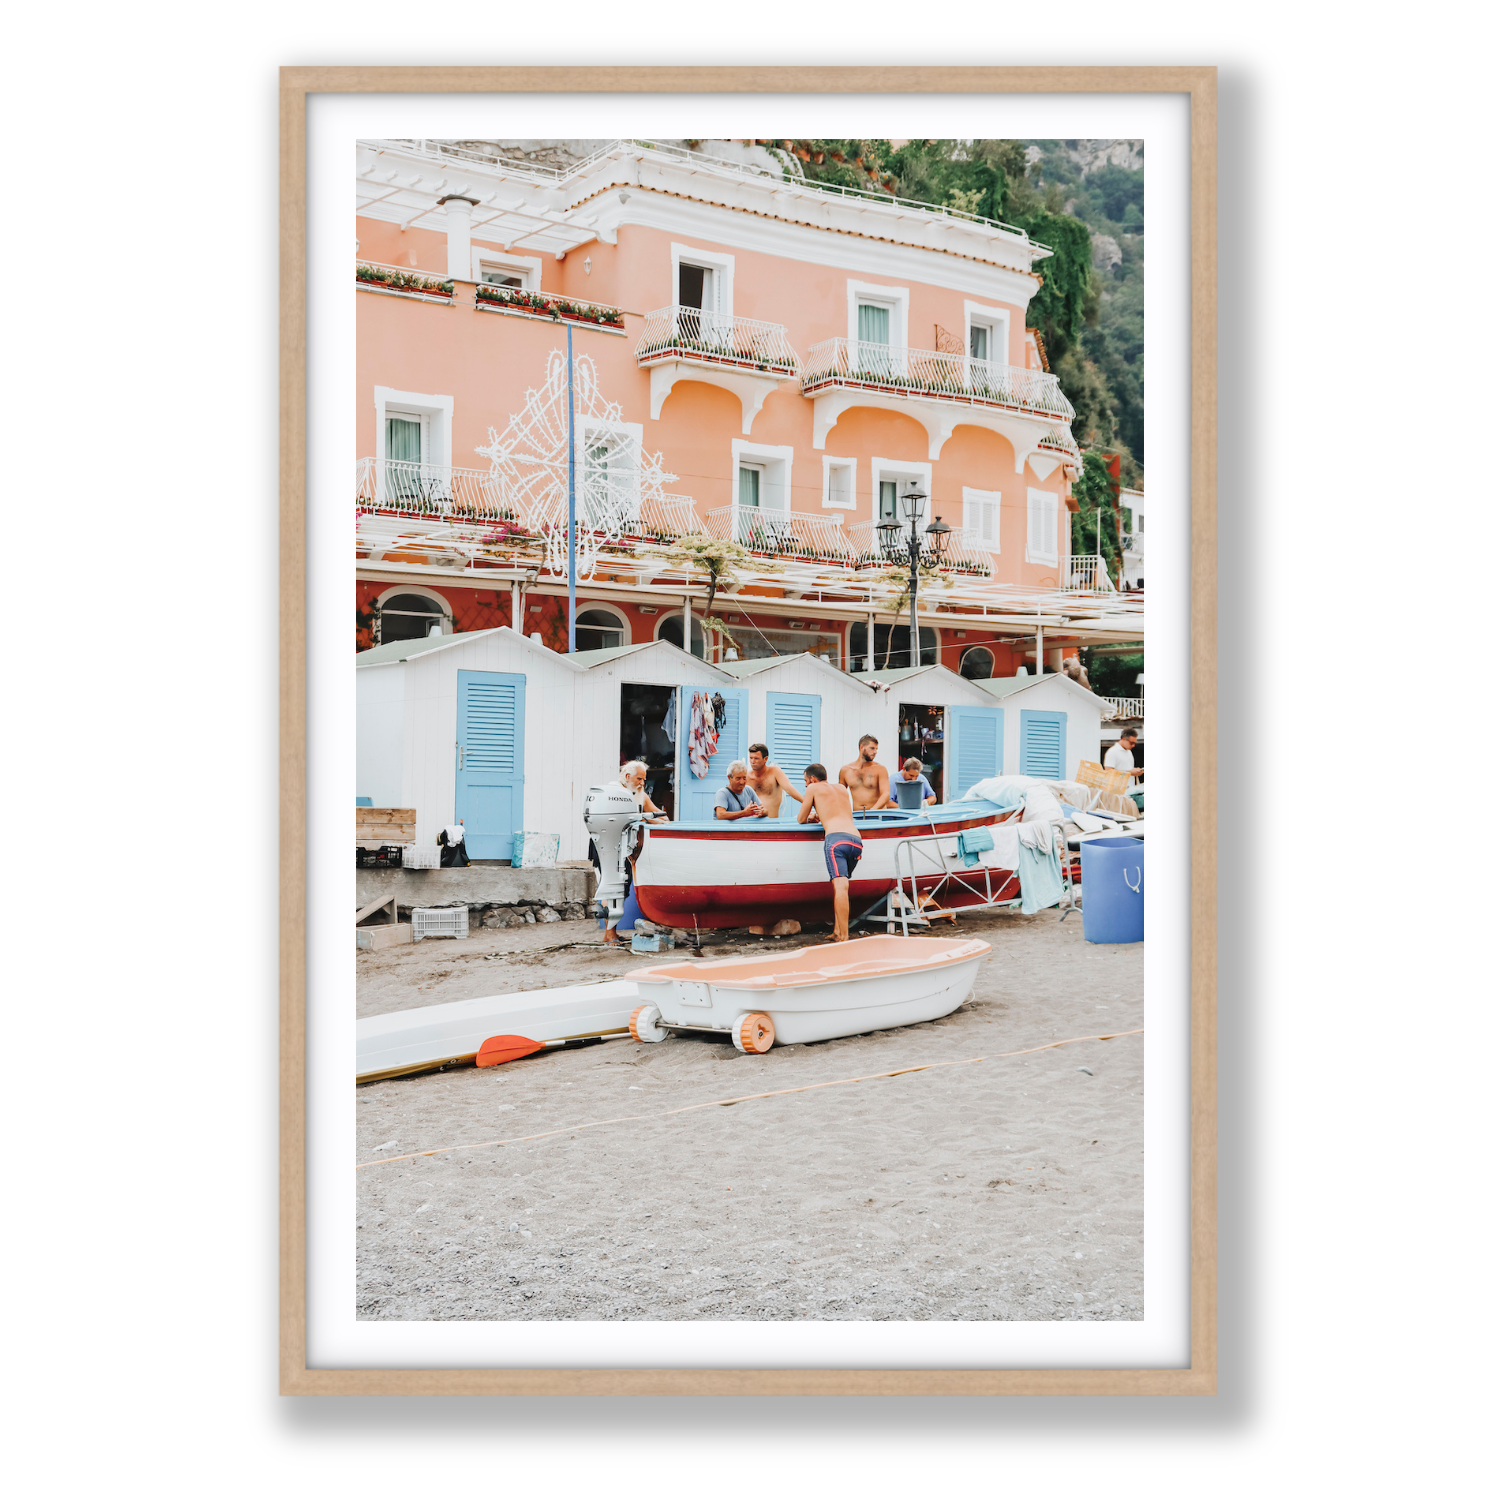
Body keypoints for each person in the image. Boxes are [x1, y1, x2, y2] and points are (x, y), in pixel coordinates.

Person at [601, 761, 667, 946]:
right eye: (639, 778)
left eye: (644, 779)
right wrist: (653, 820)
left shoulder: (639, 794)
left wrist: (666, 822)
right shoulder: (614, 792)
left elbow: (658, 814)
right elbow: (630, 817)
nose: (642, 783)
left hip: (627, 847)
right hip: (608, 846)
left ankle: (612, 934)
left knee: (621, 890)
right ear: (628, 776)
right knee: (611, 889)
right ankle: (609, 935)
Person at [797, 763, 862, 942]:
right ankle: (836, 931)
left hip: (836, 841)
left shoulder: (813, 788)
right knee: (840, 887)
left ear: (812, 779)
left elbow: (801, 819)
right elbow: (837, 811)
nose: (805, 785)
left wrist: (811, 817)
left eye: (805, 781)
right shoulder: (841, 788)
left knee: (840, 887)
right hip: (856, 840)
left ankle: (844, 937)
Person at [745, 742, 806, 820]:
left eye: (756, 758)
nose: (752, 762)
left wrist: (807, 804)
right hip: (750, 824)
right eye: (751, 758)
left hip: (771, 823)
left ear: (765, 759)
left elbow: (790, 789)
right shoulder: (746, 777)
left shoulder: (775, 772)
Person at [839, 734, 891, 812]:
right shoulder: (846, 770)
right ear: (861, 747)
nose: (875, 752)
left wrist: (873, 810)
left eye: (876, 749)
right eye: (872, 748)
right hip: (857, 815)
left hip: (877, 814)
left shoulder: (880, 769)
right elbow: (840, 795)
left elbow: (886, 794)